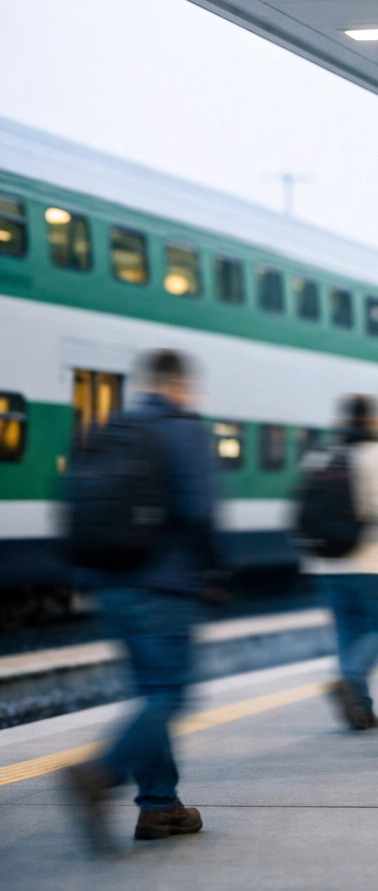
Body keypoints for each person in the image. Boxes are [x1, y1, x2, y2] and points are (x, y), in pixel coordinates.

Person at [67, 349, 219, 849]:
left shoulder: (115, 427)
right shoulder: (181, 428)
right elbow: (198, 510)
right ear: (179, 385)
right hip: (163, 585)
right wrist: (215, 569)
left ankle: (159, 807)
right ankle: (100, 774)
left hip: (111, 583)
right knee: (169, 695)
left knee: (151, 694)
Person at [300, 395, 378, 731]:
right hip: (373, 563)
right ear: (375, 423)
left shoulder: (322, 455)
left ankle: (361, 709)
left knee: (348, 633)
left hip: (327, 565)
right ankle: (350, 680)